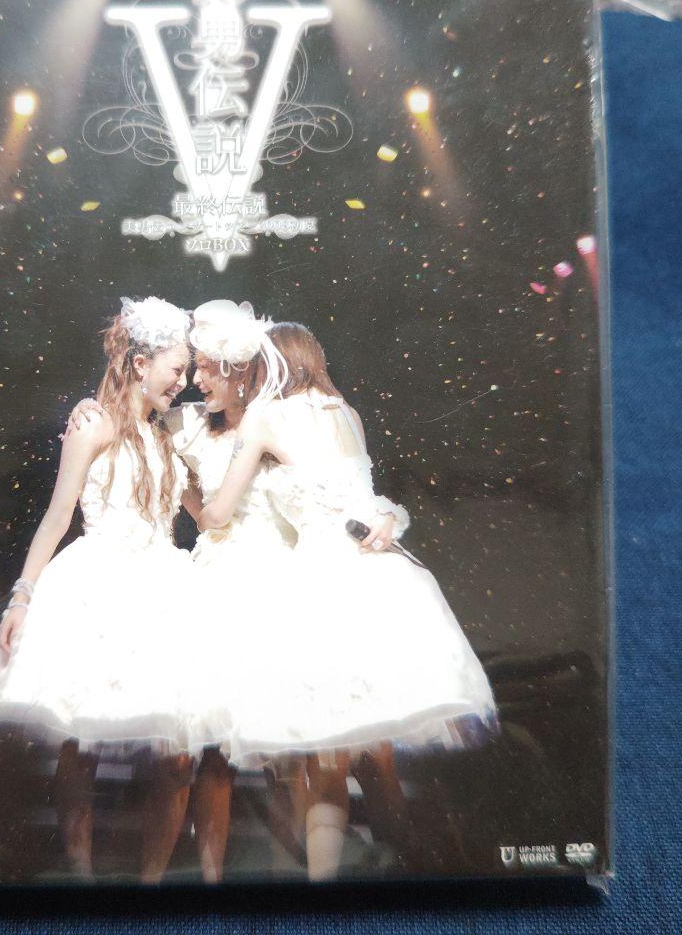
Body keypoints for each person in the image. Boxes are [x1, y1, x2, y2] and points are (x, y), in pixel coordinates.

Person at [199, 321, 498, 879]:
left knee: (327, 761)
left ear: (271, 364)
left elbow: (217, 513)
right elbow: (365, 498)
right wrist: (389, 517)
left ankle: (328, 887)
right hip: (380, 579)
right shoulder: (349, 414)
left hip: (320, 582)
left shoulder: (266, 417)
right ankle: (409, 871)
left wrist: (192, 495)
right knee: (369, 752)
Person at [69, 299, 299, 881]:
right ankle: (106, 877)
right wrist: (86, 405)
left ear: (238, 369)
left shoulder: (272, 423)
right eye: (186, 369)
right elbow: (134, 426)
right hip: (164, 581)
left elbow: (319, 485)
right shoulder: (176, 424)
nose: (193, 381)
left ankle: (268, 878)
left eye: (203, 369)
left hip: (249, 579)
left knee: (250, 744)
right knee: (130, 736)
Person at [0, 295, 198, 882]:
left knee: (176, 750)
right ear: (141, 363)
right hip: (99, 584)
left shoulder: (170, 435)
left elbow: (210, 512)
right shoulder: (92, 423)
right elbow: (57, 516)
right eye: (177, 370)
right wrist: (22, 595)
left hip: (164, 589)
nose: (183, 383)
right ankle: (81, 874)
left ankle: (152, 883)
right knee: (82, 738)